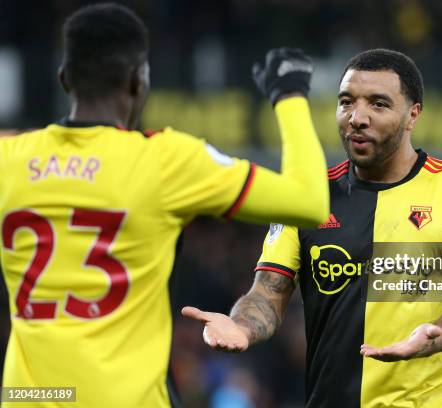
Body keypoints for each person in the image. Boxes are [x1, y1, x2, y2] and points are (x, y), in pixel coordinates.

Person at [0, 3, 329, 408]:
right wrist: (290, 96)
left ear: (64, 78)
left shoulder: (9, 158)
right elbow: (310, 202)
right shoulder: (166, 160)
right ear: (140, 81)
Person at [183, 49, 442, 407]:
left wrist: (436, 334)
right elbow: (267, 295)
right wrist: (241, 325)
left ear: (413, 114)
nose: (357, 118)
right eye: (346, 102)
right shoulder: (309, 199)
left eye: (379, 104)